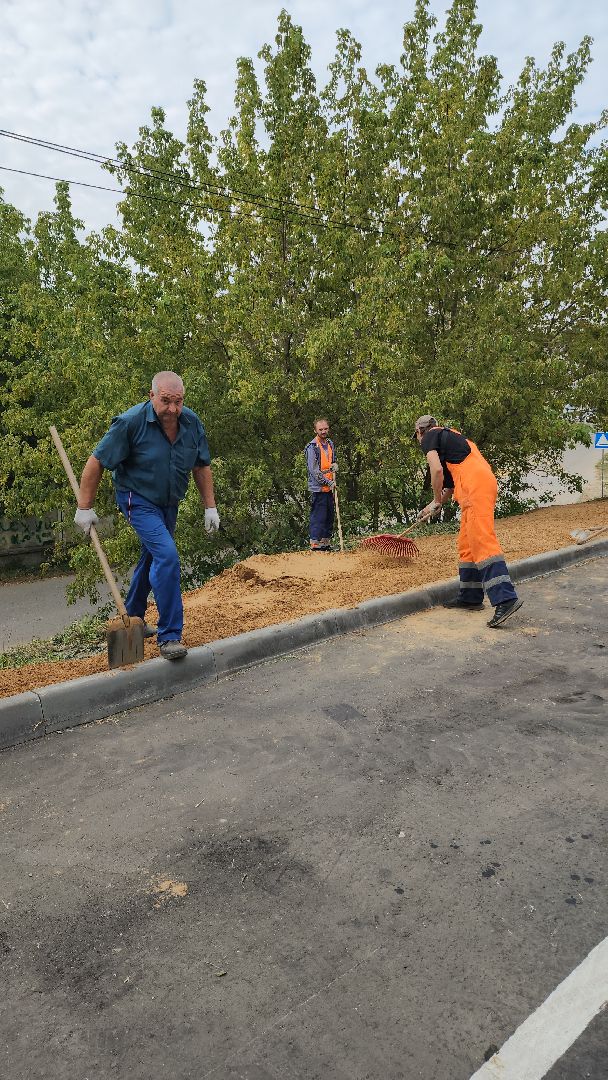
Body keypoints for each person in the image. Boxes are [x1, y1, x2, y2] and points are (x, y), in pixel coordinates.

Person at [73, 371, 220, 660]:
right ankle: (170, 636)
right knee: (167, 555)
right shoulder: (130, 423)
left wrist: (210, 506)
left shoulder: (191, 423)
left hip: (169, 501)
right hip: (136, 499)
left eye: (178, 402)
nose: (173, 409)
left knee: (152, 556)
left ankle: (134, 619)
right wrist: (84, 507)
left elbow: (201, 466)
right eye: (166, 401)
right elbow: (97, 462)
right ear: (151, 395)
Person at [414, 415, 523, 628]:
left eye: (417, 436)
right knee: (467, 543)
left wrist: (437, 500)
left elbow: (435, 470)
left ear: (420, 431)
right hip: (477, 486)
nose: (419, 441)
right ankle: (471, 597)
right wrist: (433, 505)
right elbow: (450, 484)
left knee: (482, 541)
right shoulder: (452, 438)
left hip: (476, 489)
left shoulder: (430, 436)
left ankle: (505, 598)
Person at [304, 418, 337, 551]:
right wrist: (328, 482)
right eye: (320, 429)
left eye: (325, 429)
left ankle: (325, 543)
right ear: (315, 430)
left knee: (329, 515)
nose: (323, 431)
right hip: (319, 488)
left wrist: (334, 465)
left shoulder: (330, 443)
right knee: (319, 515)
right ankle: (316, 544)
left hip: (329, 487)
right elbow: (314, 471)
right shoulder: (311, 447)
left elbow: (331, 461)